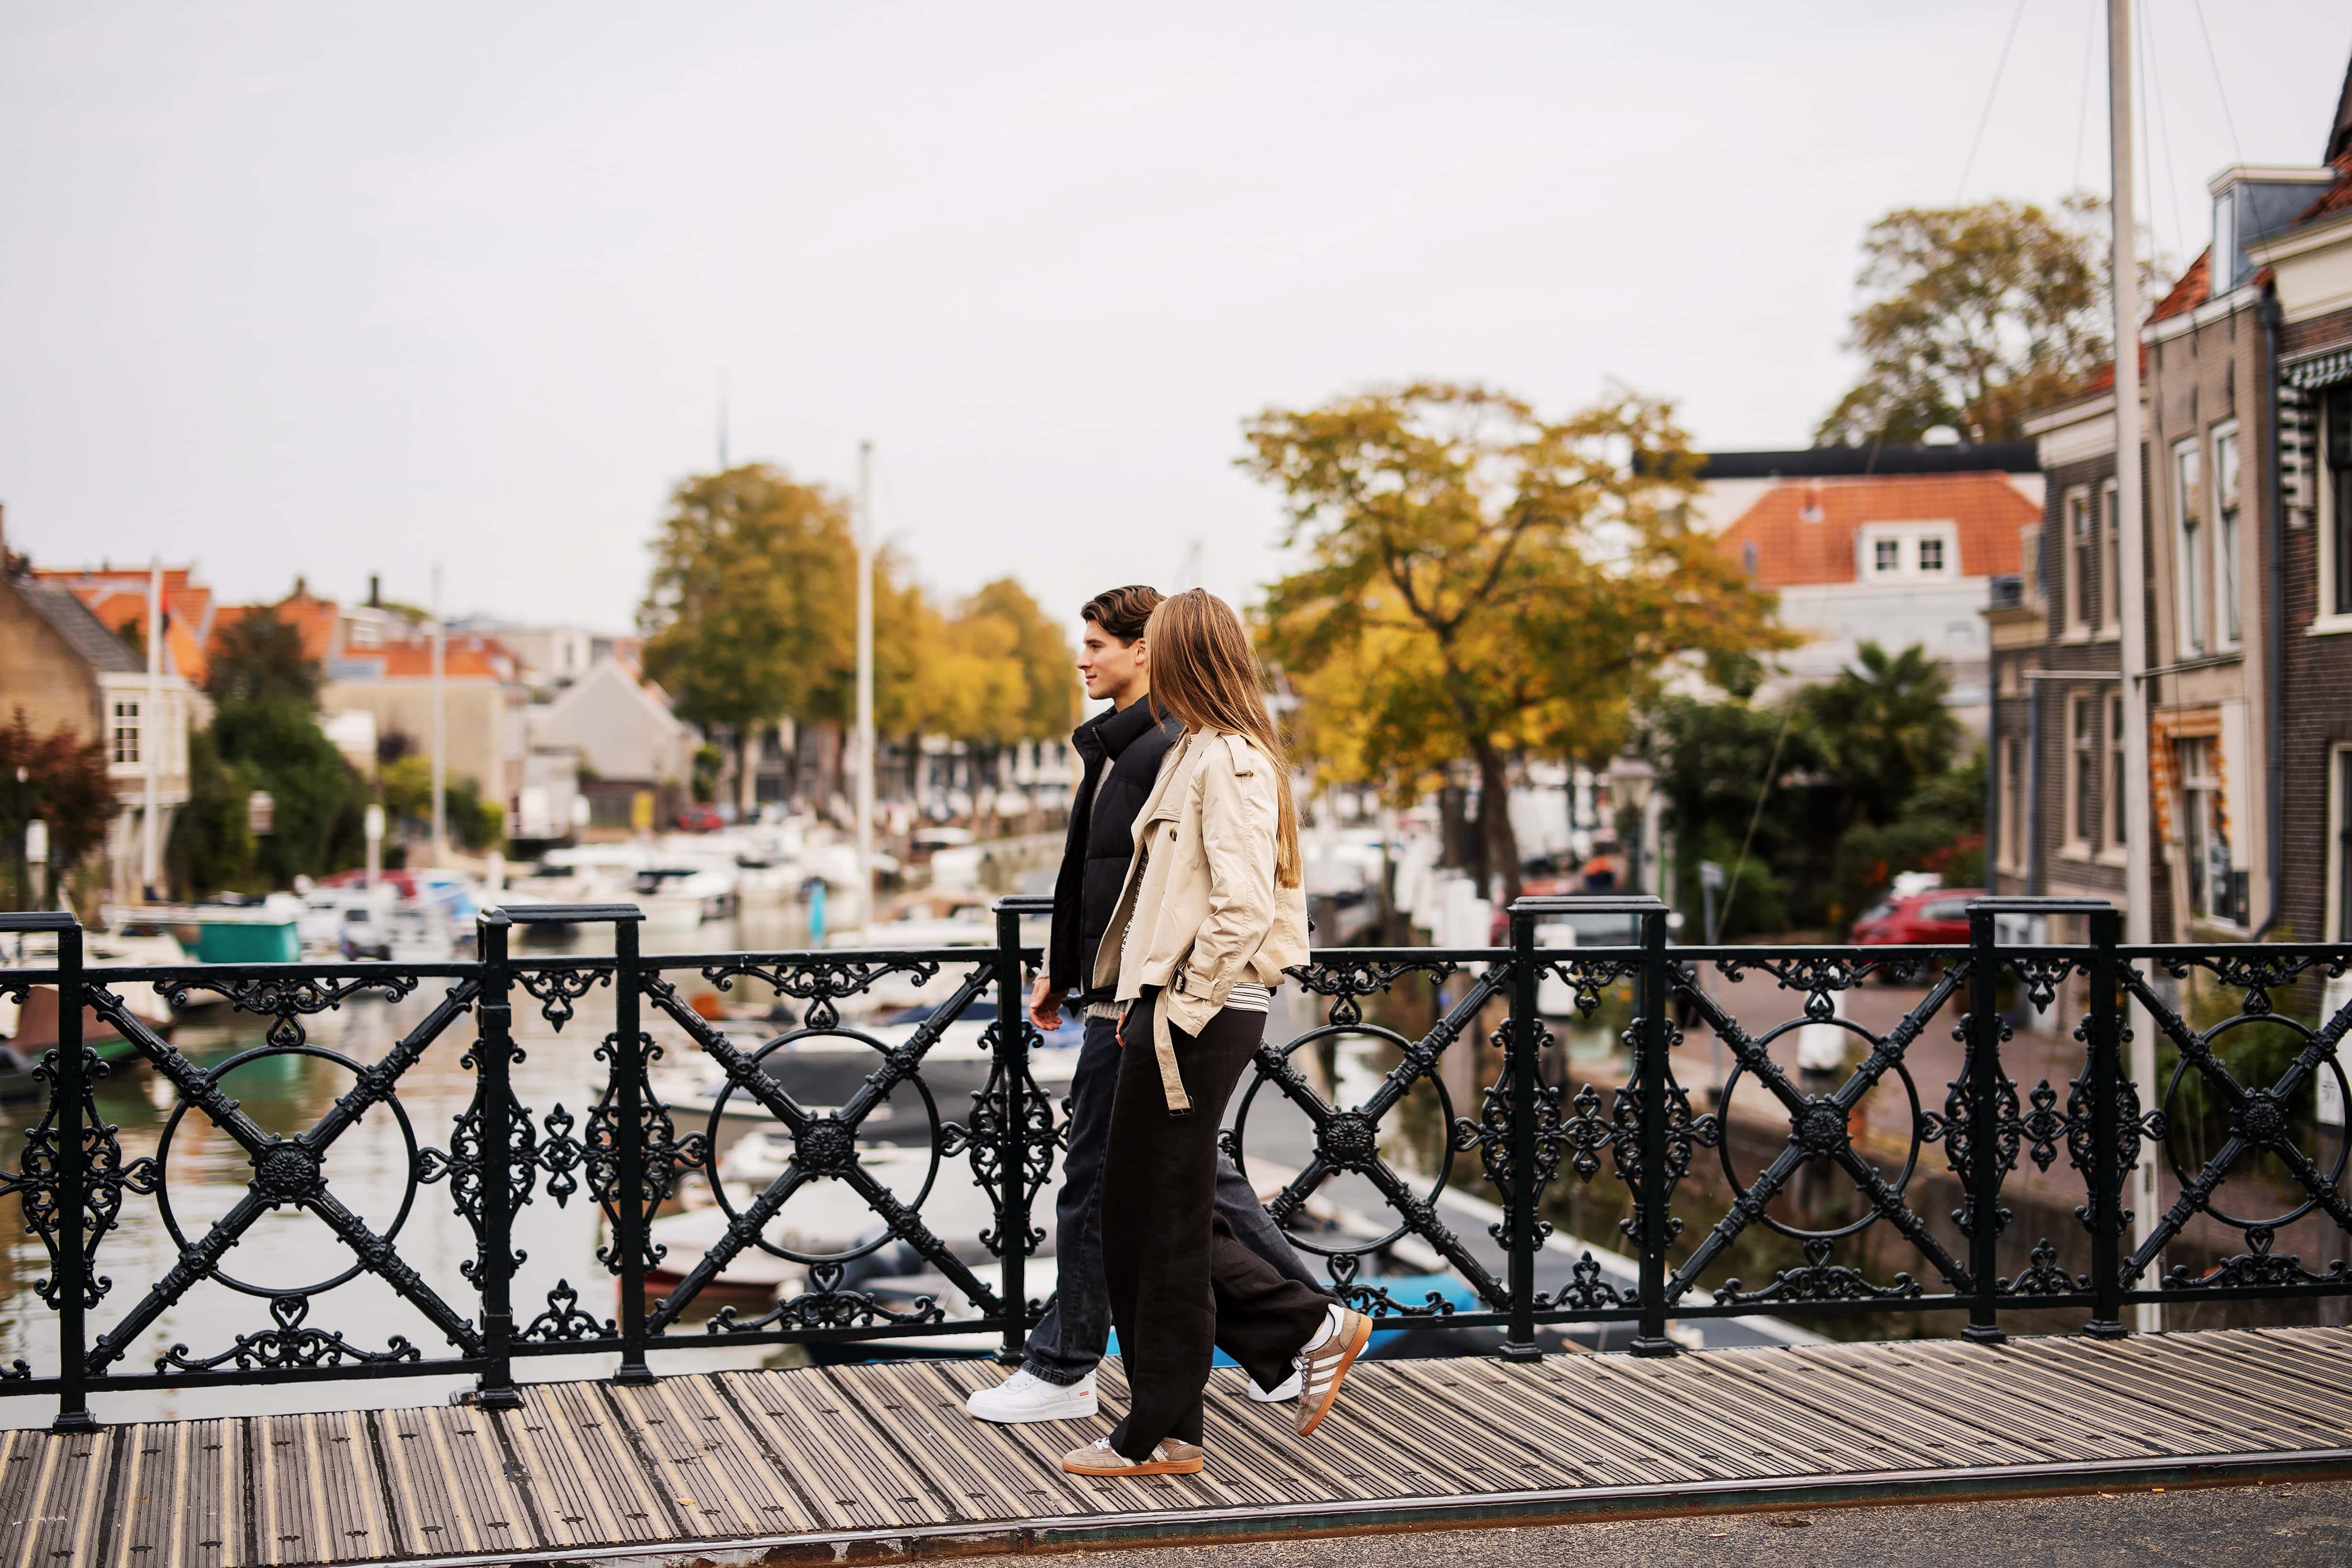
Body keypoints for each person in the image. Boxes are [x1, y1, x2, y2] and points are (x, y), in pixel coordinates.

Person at [964, 584, 1322, 1426]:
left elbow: (1232, 900)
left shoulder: (1192, 751)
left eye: (1097, 642)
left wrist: (1177, 1004)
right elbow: (1115, 883)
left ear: (1153, 653)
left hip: (1162, 1000)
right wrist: (1071, 965)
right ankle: (1289, 1342)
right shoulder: (1141, 747)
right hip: (1126, 990)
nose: (1082, 657)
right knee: (1163, 1186)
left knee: (1129, 1188)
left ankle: (1083, 1366)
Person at [1060, 589, 1370, 1480]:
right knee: (1153, 1216)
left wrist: (1177, 1004)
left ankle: (1158, 1431)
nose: (1143, 659)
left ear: (1189, 653)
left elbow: (1241, 902)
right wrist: (1130, 997)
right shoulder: (1194, 749)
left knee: (1149, 1222)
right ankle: (1252, 1368)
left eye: (1158, 646)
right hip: (1163, 1007)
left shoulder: (1230, 759)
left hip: (1197, 1011)